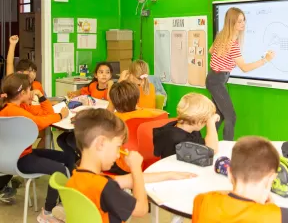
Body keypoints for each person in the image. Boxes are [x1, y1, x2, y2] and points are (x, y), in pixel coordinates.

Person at [67, 109, 196, 223]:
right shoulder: (105, 187)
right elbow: (141, 209)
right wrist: (136, 168)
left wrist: (169, 175)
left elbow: (129, 179)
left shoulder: (78, 177)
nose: (118, 155)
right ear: (100, 143)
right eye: (118, 147)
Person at [192, 136, 288, 223]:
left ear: (229, 173)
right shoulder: (279, 216)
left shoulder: (203, 200)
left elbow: (222, 198)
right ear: (272, 179)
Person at [0, 73, 72, 222]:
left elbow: (46, 114)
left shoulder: (16, 107)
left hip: (17, 155)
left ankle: (64, 201)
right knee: (58, 169)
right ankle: (47, 212)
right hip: (19, 159)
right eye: (30, 89)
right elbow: (40, 122)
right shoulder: (15, 111)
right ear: (23, 93)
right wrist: (60, 115)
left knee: (67, 157)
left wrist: (42, 98)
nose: (32, 92)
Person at [207, 7, 275, 140]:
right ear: (231, 23)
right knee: (231, 116)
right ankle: (227, 146)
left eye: (243, 20)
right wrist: (265, 60)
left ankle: (209, 143)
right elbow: (244, 68)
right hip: (217, 80)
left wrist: (223, 59)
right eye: (239, 22)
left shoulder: (221, 36)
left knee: (219, 115)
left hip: (214, 78)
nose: (243, 24)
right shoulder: (232, 44)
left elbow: (211, 50)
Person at [108, 81, 164, 175]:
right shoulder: (157, 114)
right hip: (153, 162)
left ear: (113, 102)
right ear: (138, 99)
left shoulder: (113, 120)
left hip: (125, 165)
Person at [153, 93, 219, 159]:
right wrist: (211, 123)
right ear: (199, 122)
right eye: (206, 121)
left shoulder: (180, 127)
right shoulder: (179, 139)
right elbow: (212, 150)